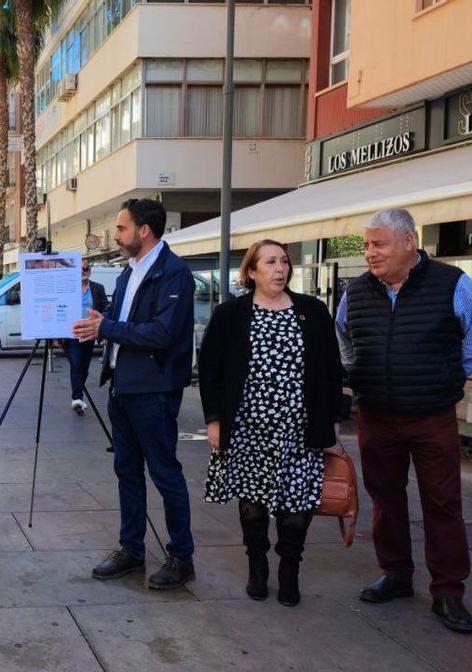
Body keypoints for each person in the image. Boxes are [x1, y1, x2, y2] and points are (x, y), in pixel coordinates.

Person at [337, 209, 472, 634]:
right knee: (385, 499)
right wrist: (359, 373)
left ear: (408, 242)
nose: (370, 253)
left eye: (379, 244)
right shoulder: (356, 291)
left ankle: (448, 591)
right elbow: (344, 339)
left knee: (442, 503)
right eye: (367, 245)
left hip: (431, 415)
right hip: (376, 415)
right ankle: (396, 574)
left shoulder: (451, 283)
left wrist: (447, 376)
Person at [198, 240, 345, 607]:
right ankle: (257, 564)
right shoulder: (230, 314)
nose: (280, 268)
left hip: (299, 427)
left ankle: (290, 568)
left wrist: (333, 420)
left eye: (284, 261)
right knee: (253, 502)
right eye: (270, 262)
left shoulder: (311, 311)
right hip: (247, 426)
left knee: (298, 505)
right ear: (251, 272)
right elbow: (211, 370)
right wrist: (214, 420)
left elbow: (330, 370)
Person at [72, 198, 196, 590]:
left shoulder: (173, 273)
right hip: (123, 386)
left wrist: (105, 328)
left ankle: (181, 556)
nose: (116, 234)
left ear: (144, 231)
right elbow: (117, 322)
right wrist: (95, 323)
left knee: (164, 472)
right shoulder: (129, 273)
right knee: (126, 470)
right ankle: (132, 550)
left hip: (154, 389)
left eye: (122, 228)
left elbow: (163, 333)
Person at [63, 261, 108, 415]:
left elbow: (105, 308)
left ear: (90, 270)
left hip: (90, 332)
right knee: (75, 364)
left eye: (86, 268)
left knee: (84, 366)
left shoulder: (97, 288)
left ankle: (79, 395)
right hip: (73, 333)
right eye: (80, 268)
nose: (83, 271)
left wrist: (102, 327)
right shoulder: (69, 288)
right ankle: (77, 397)